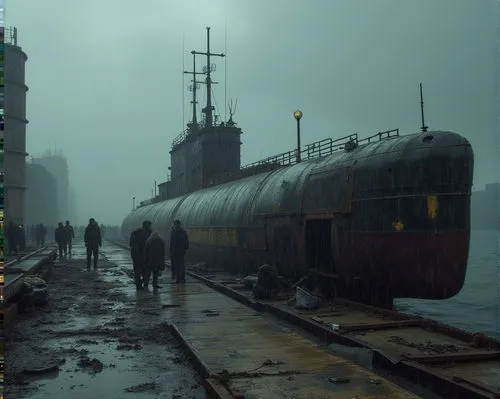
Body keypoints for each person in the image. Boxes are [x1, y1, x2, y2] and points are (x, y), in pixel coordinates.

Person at [129, 220, 152, 290]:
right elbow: (149, 246)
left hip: (135, 256)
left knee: (137, 271)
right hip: (144, 256)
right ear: (146, 226)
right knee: (145, 271)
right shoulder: (148, 233)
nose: (150, 227)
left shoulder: (135, 233)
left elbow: (130, 244)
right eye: (149, 225)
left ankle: (138, 285)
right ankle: (144, 284)